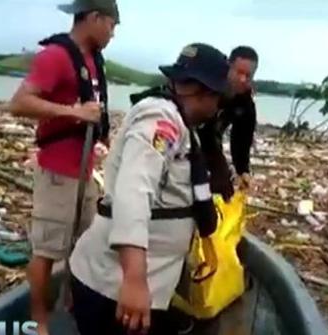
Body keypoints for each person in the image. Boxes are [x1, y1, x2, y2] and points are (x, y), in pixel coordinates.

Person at [68, 43, 230, 335]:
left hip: (138, 282)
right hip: (115, 286)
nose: (217, 108)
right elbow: (134, 192)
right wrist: (134, 279)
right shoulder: (161, 120)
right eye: (218, 98)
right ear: (206, 92)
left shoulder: (180, 122)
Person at [8, 0, 119, 333]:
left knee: (84, 246)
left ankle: (73, 303)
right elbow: (19, 103)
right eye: (112, 25)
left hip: (84, 172)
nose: (113, 33)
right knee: (46, 251)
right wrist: (73, 112)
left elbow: (94, 109)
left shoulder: (92, 60)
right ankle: (39, 321)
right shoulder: (56, 56)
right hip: (58, 172)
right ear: (94, 18)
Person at [197, 46, 259, 200]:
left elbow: (242, 136)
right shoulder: (209, 87)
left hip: (213, 136)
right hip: (191, 132)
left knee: (222, 184)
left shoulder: (245, 100)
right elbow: (204, 132)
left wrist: (242, 169)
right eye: (239, 73)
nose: (243, 79)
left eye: (248, 75)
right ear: (228, 67)